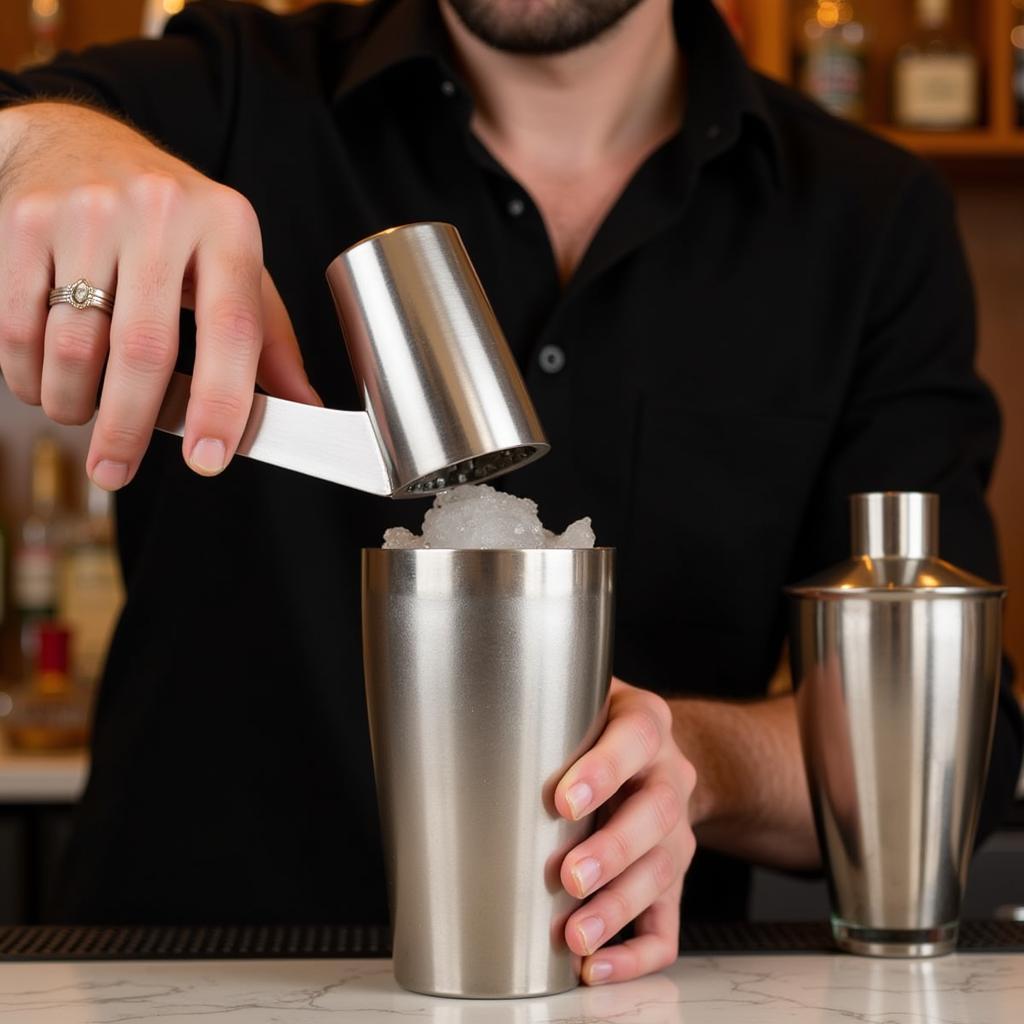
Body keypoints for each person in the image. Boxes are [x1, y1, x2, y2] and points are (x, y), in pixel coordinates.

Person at [0, 0, 1020, 986]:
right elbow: (27, 132)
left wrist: (694, 757)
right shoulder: (226, 86)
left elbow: (952, 746)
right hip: (174, 974)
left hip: (610, 983)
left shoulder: (867, 217)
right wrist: (42, 150)